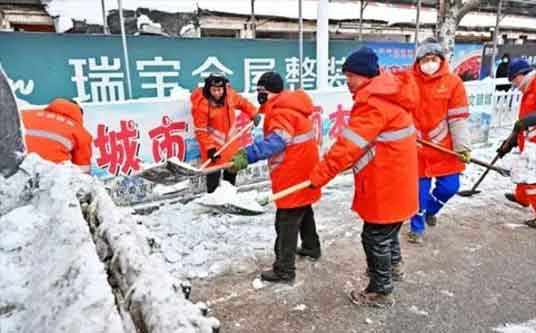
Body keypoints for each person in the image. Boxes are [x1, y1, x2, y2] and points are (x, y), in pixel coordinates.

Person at [309, 47, 419, 307]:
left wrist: (319, 175)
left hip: (387, 182)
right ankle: (392, 268)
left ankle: (380, 291)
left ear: (365, 75)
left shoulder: (373, 104)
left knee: (375, 236)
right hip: (398, 180)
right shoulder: (390, 96)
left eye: (350, 76)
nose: (347, 82)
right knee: (388, 230)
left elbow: (348, 146)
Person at [230, 71, 321, 283]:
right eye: (258, 92)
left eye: (264, 92)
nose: (260, 96)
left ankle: (284, 270)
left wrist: (248, 154)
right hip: (304, 171)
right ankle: (311, 247)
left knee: (286, 223)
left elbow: (276, 143)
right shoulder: (289, 107)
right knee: (304, 209)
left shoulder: (282, 113)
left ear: (274, 92)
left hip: (293, 173)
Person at [407, 38, 472, 244]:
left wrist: (462, 148)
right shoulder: (408, 80)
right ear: (418, 61)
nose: (429, 63)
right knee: (418, 192)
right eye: (425, 59)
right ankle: (416, 228)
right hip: (415, 147)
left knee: (450, 187)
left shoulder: (453, 83)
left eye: (433, 58)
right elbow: (399, 112)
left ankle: (430, 210)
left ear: (441, 59)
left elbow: (458, 119)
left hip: (444, 146)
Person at [191, 73, 259, 193]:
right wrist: (209, 148)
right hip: (213, 149)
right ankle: (214, 205)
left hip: (231, 145)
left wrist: (254, 113)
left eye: (219, 90)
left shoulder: (230, 94)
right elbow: (200, 130)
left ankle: (229, 199)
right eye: (214, 90)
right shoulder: (202, 104)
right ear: (208, 89)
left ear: (224, 88)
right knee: (213, 181)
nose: (217, 93)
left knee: (230, 179)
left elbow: (243, 103)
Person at [497, 58, 536, 228]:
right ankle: (522, 198)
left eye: (513, 79)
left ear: (521, 74)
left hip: (534, 141)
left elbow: (528, 119)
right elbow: (522, 121)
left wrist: (526, 122)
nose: (513, 84)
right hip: (527, 140)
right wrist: (510, 141)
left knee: (530, 179)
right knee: (522, 170)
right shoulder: (528, 90)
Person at [21, 98, 92, 173]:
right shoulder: (79, 131)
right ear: (79, 114)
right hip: (52, 175)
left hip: (18, 166)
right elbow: (83, 169)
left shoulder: (25, 114)